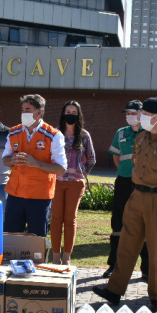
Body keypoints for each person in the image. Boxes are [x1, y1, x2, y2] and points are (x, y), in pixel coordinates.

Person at [93, 97, 157, 312]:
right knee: (126, 244)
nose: (140, 117)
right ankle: (114, 290)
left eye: (145, 115)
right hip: (137, 196)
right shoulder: (142, 136)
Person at [0, 94, 67, 237]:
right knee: (10, 238)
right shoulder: (13, 132)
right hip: (15, 194)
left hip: (39, 197)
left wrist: (35, 163)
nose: (23, 113)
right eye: (22, 109)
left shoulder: (53, 135)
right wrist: (12, 160)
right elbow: (5, 159)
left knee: (36, 241)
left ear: (39, 112)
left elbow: (61, 168)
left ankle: (36, 260)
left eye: (28, 109)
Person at [103, 100, 150, 279]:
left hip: (144, 184)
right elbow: (117, 158)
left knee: (144, 224)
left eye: (133, 113)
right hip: (123, 182)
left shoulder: (150, 133)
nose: (129, 116)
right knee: (118, 223)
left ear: (142, 114)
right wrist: (125, 172)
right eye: (127, 113)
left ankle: (146, 269)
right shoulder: (121, 133)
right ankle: (113, 265)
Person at [50, 101, 96, 264]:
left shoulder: (84, 135)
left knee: (70, 219)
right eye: (68, 111)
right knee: (56, 219)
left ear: (78, 115)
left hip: (75, 183)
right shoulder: (55, 133)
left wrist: (82, 174)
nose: (70, 114)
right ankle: (55, 257)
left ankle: (67, 257)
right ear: (63, 114)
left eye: (74, 112)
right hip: (56, 181)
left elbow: (91, 159)